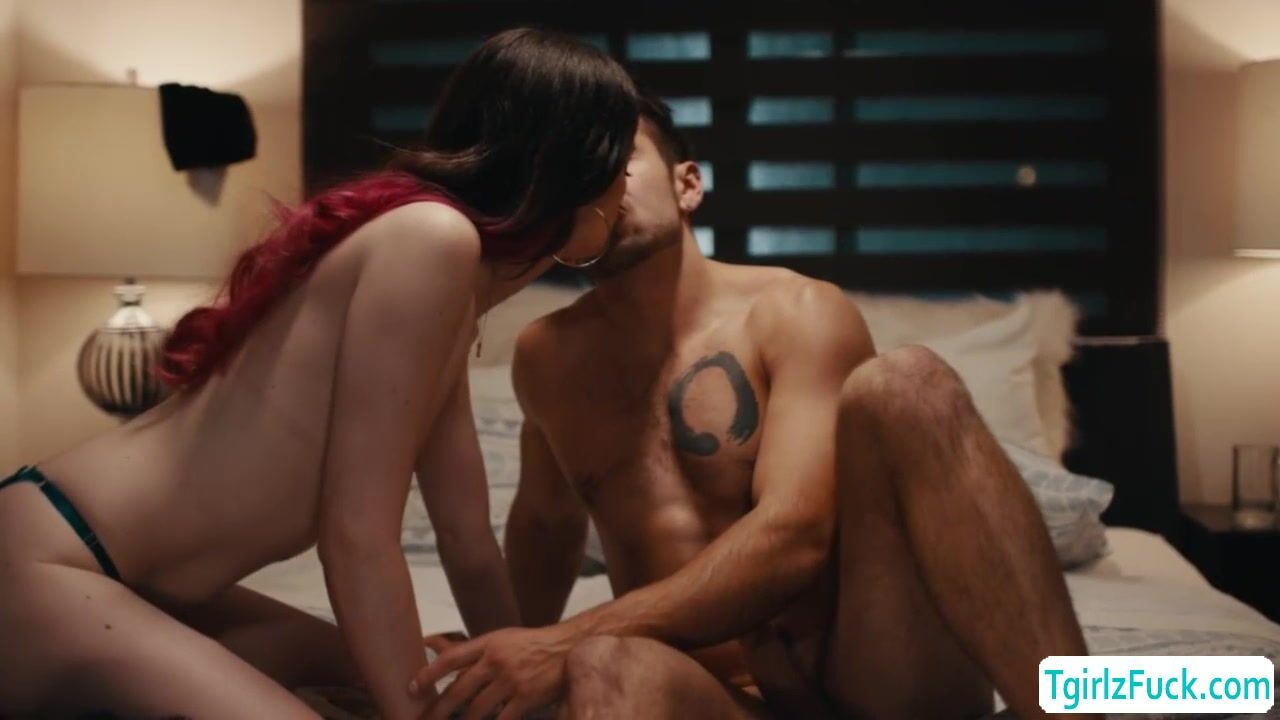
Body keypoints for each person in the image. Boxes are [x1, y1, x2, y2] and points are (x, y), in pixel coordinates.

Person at [0, 28, 638, 720]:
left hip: (126, 576)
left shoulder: (451, 287)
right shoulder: (432, 239)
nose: (629, 187)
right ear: (580, 166)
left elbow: (468, 541)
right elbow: (356, 536)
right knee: (406, 692)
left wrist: (526, 687)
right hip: (55, 558)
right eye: (624, 161)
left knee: (423, 673)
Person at [413, 97, 1101, 720]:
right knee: (605, 666)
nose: (594, 185)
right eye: (573, 173)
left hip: (873, 678)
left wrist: (558, 641)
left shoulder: (795, 312)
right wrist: (495, 657)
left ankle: (1073, 711)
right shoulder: (546, 358)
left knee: (907, 382)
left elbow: (796, 535)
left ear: (688, 184)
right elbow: (545, 527)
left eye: (616, 163)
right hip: (715, 700)